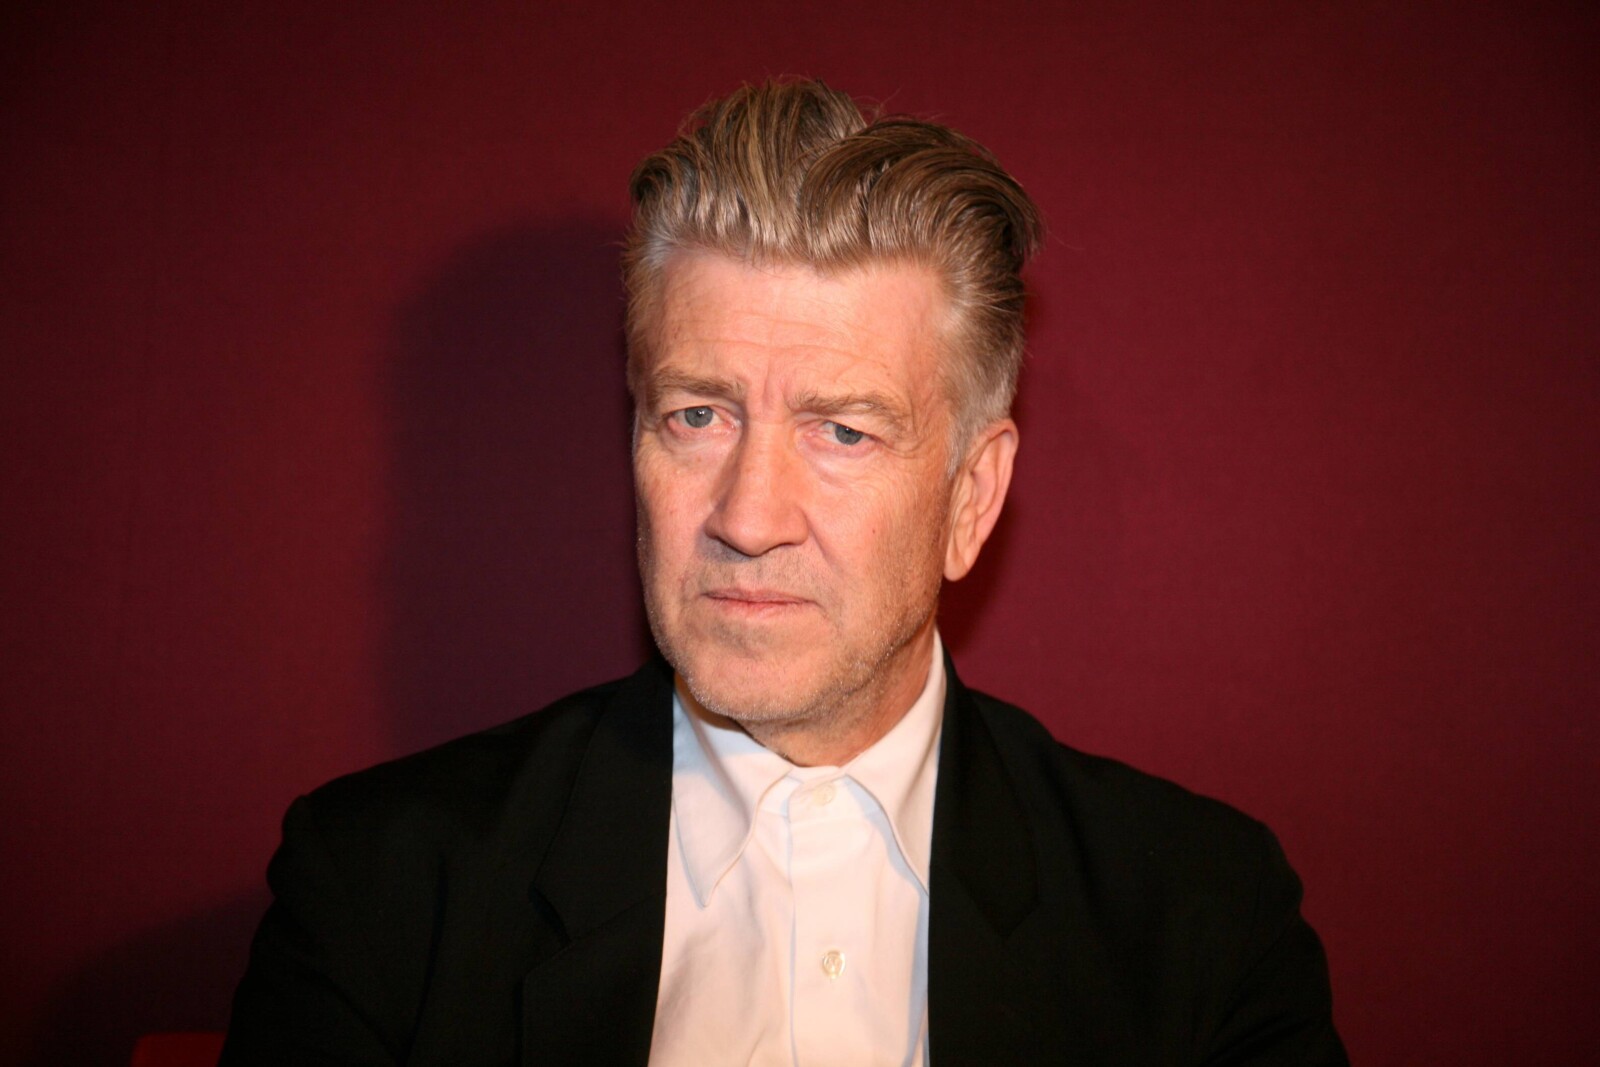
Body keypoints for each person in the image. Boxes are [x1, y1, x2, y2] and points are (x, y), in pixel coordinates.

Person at [221, 79, 1346, 1066]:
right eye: (697, 414)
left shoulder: (1203, 919)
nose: (747, 518)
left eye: (843, 430)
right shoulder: (378, 892)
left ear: (971, 497)